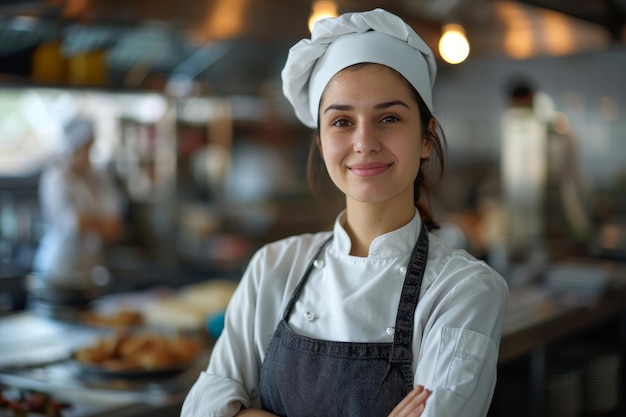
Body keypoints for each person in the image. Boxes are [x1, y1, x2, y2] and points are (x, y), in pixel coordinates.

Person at [181, 8, 508, 417]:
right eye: (341, 121)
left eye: (389, 118)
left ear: (426, 137)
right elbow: (202, 406)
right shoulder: (273, 267)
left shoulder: (463, 290)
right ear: (320, 143)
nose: (364, 142)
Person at [33, 117, 124, 286]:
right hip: (59, 266)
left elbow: (115, 226)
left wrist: (92, 222)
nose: (85, 153)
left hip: (91, 266)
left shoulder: (99, 177)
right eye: (81, 148)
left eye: (89, 147)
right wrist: (99, 223)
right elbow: (75, 224)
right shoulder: (56, 178)